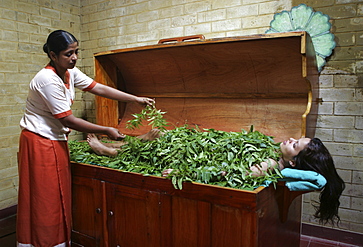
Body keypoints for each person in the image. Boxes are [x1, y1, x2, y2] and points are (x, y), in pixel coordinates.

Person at [17, 30, 154, 247]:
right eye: (68, 54)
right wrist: (107, 130)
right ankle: (43, 242)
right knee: (45, 198)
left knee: (56, 193)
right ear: (53, 55)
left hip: (55, 140)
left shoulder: (70, 72)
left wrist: (134, 98)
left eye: (76, 52)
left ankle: (59, 241)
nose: (74, 57)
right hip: (39, 142)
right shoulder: (47, 79)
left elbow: (98, 87)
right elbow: (68, 120)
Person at [86, 133, 345, 226]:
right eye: (295, 138)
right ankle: (116, 144)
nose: (289, 140)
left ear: (292, 162)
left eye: (295, 145)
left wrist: (184, 173)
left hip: (194, 162)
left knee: (154, 149)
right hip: (201, 148)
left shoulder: (269, 164)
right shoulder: (269, 148)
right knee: (157, 137)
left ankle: (108, 150)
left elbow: (227, 173)